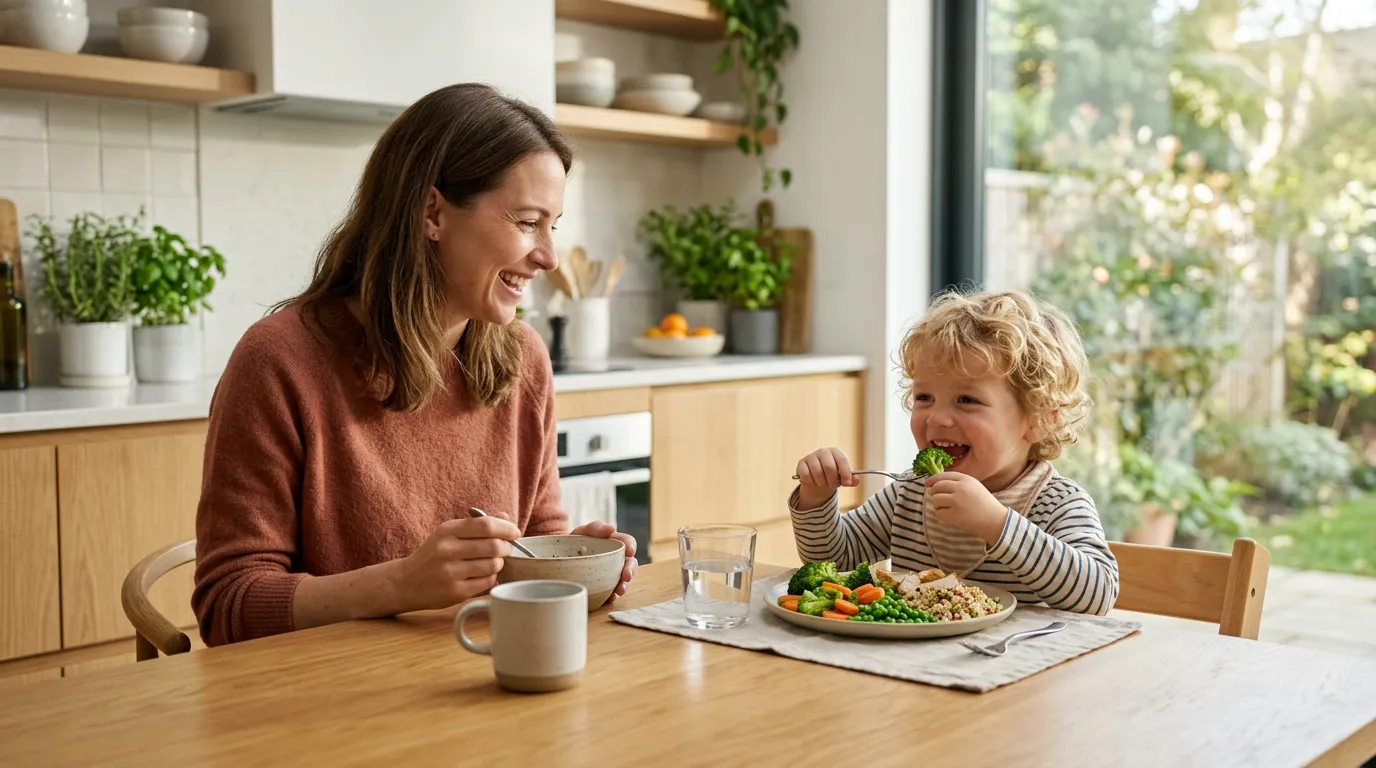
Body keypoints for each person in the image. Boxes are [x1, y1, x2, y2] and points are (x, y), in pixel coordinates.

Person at [192, 83, 636, 646]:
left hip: (483, 685)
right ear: (432, 212)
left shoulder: (523, 358)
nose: (548, 256)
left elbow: (537, 538)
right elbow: (229, 606)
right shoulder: (279, 362)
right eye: (527, 222)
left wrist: (576, 565)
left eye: (553, 225)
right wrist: (401, 583)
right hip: (328, 711)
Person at [788, 289, 1119, 615]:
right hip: (910, 664)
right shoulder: (910, 493)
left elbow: (1098, 594)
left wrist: (996, 523)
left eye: (967, 400)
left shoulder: (1057, 503)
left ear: (1038, 420)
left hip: (1016, 663)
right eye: (924, 398)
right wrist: (816, 499)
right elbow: (835, 561)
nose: (937, 418)